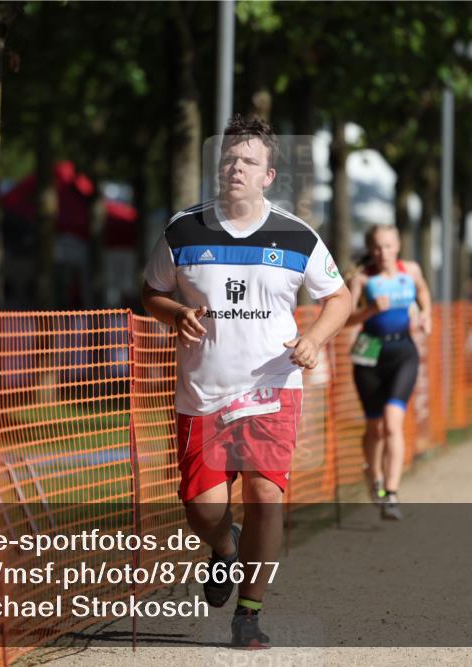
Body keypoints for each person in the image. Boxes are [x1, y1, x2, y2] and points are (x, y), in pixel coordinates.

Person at [141, 114, 352, 648]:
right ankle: (225, 546)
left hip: (272, 391)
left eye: (248, 161)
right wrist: (172, 315)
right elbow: (151, 292)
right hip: (202, 394)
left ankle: (249, 614)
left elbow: (339, 297)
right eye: (230, 159)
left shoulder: (297, 235)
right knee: (203, 510)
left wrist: (316, 339)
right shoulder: (183, 230)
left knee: (266, 495)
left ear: (268, 175)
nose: (236, 167)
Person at [346, 224, 432, 520]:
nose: (383, 253)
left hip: (403, 353)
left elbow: (423, 292)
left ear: (398, 247)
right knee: (375, 429)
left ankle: (392, 493)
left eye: (389, 246)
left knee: (393, 424)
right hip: (369, 354)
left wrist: (426, 315)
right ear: (370, 249)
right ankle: (376, 479)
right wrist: (368, 311)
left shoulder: (411, 270)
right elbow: (343, 319)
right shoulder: (362, 278)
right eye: (377, 247)